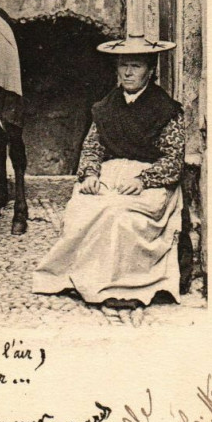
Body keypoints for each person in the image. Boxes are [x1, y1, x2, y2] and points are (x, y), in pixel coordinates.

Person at [33, 34, 185, 308]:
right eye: (123, 65)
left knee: (118, 215)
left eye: (136, 66)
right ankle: (83, 278)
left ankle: (122, 287)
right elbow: (92, 147)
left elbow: (173, 160)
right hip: (108, 174)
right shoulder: (105, 107)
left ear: (150, 71)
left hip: (148, 181)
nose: (128, 72)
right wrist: (90, 174)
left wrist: (144, 179)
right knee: (83, 208)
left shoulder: (166, 109)